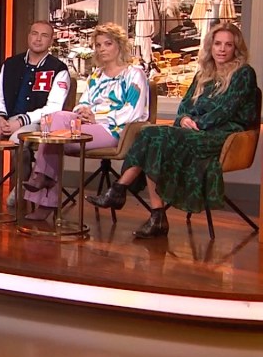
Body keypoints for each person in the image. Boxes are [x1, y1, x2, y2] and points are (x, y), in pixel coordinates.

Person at [87, 23, 258, 238]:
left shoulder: (243, 73)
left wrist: (198, 124)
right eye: (217, 44)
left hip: (224, 135)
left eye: (228, 45)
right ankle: (152, 213)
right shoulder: (203, 74)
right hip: (193, 132)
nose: (222, 49)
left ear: (236, 48)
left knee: (154, 136)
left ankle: (123, 192)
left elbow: (225, 110)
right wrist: (184, 119)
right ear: (211, 46)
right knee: (151, 136)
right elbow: (184, 106)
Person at [21, 23, 149, 220]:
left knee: (54, 140)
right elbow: (83, 103)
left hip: (113, 129)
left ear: (119, 45)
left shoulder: (134, 74)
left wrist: (97, 117)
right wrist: (82, 112)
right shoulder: (96, 74)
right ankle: (44, 178)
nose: (102, 49)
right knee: (57, 118)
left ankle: (44, 190)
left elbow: (133, 112)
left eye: (108, 44)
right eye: (98, 45)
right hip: (86, 125)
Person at [0, 20, 70, 209]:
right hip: (6, 120)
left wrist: (21, 121)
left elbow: (54, 107)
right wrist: (1, 118)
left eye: (44, 35)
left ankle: (20, 186)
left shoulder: (58, 69)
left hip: (37, 123)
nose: (38, 39)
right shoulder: (11, 64)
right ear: (28, 36)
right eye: (34, 33)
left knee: (16, 138)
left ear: (51, 40)